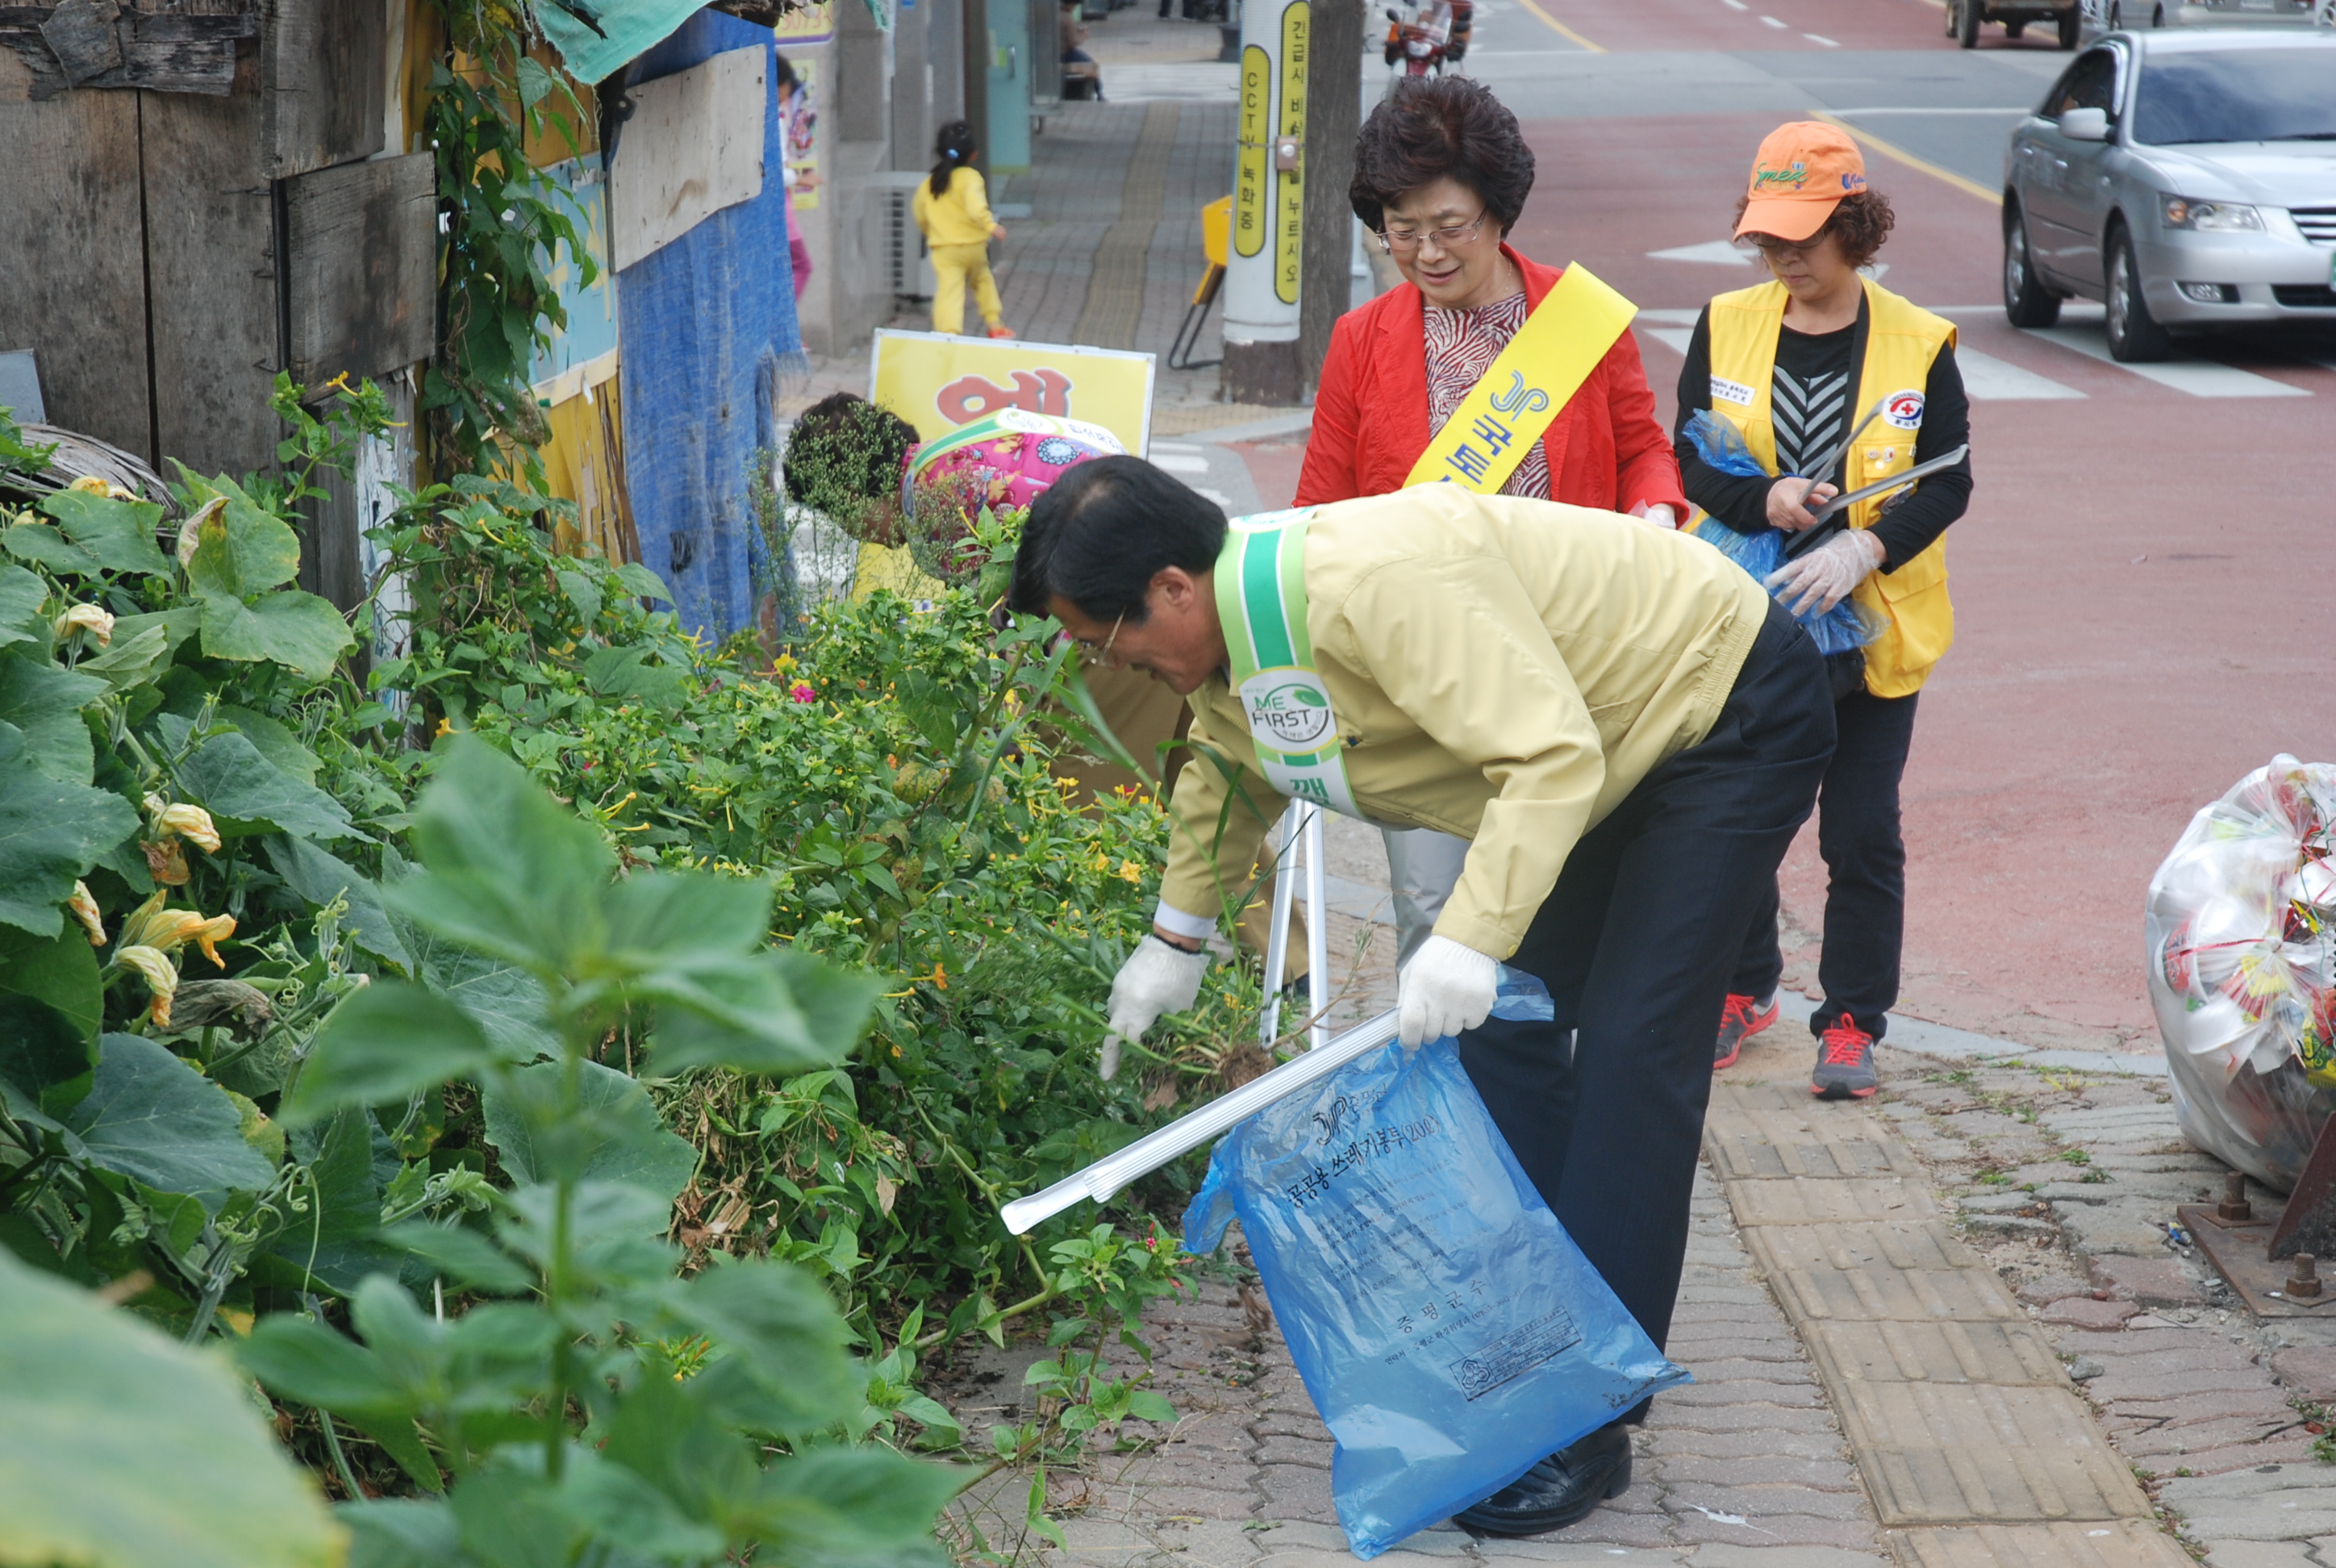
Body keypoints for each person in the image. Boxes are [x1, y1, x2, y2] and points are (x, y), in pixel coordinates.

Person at [1013, 459, 1833, 1536]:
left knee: (1636, 1051)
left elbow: (1545, 757)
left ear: (1170, 588)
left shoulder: (1372, 585)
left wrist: (1465, 942)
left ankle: (1587, 1419)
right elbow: (1229, 765)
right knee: (1505, 1032)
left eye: (1095, 636)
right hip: (1604, 753)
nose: (1101, 660)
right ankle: (1543, 1343)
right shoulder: (1228, 641)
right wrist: (1179, 935)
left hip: (1719, 706)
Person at [1296, 76, 1689, 970]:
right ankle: (1448, 1104)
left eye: (1449, 226)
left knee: (1561, 907)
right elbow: (1318, 507)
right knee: (1433, 907)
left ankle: (1545, 1096)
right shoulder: (1362, 340)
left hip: (1568, 658)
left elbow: (1643, 448)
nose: (1426, 252)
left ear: (1498, 212)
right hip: (1421, 670)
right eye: (1402, 230)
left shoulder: (1578, 320)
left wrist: (1655, 511)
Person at [779, 395, 1312, 994]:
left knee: (1087, 802)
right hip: (1178, 599)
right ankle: (1290, 967)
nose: (858, 536)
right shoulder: (958, 450)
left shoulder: (930, 505)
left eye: (842, 518)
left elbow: (1016, 636)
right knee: (1209, 780)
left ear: (852, 495)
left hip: (1118, 630)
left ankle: (1103, 969)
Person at [1673, 122, 1972, 1099]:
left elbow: (1949, 482)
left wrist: (1864, 545)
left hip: (1872, 628)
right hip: (1749, 620)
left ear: (1856, 224)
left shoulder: (1919, 342)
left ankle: (1849, 1020)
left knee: (1858, 831)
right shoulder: (1725, 322)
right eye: (1768, 236)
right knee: (1741, 816)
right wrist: (1761, 501)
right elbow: (1693, 460)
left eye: (1805, 233)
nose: (1785, 255)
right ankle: (1742, 987)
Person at [913, 123, 1015, 340]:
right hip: (974, 247)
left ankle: (949, 334)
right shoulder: (971, 178)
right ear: (973, 155)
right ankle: (995, 324)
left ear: (940, 152)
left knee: (950, 290)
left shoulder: (930, 183)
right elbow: (976, 208)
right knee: (983, 280)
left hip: (945, 249)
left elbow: (920, 215)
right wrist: (991, 226)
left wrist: (932, 232)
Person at [775, 55, 820, 301]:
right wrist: (803, 180)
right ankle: (785, 332)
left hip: (780, 210)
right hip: (781, 213)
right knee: (801, 266)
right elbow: (773, 172)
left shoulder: (775, 115)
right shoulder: (772, 118)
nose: (788, 94)